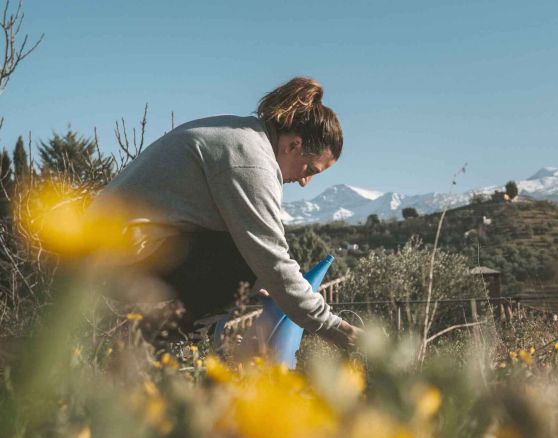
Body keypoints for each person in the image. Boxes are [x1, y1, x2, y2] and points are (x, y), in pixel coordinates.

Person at [90, 76, 361, 349]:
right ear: (294, 145)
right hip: (108, 265)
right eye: (310, 170)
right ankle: (161, 347)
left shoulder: (241, 136)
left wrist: (260, 282)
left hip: (103, 252)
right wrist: (337, 328)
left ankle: (164, 341)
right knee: (247, 258)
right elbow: (274, 262)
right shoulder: (252, 163)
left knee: (251, 262)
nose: (305, 182)